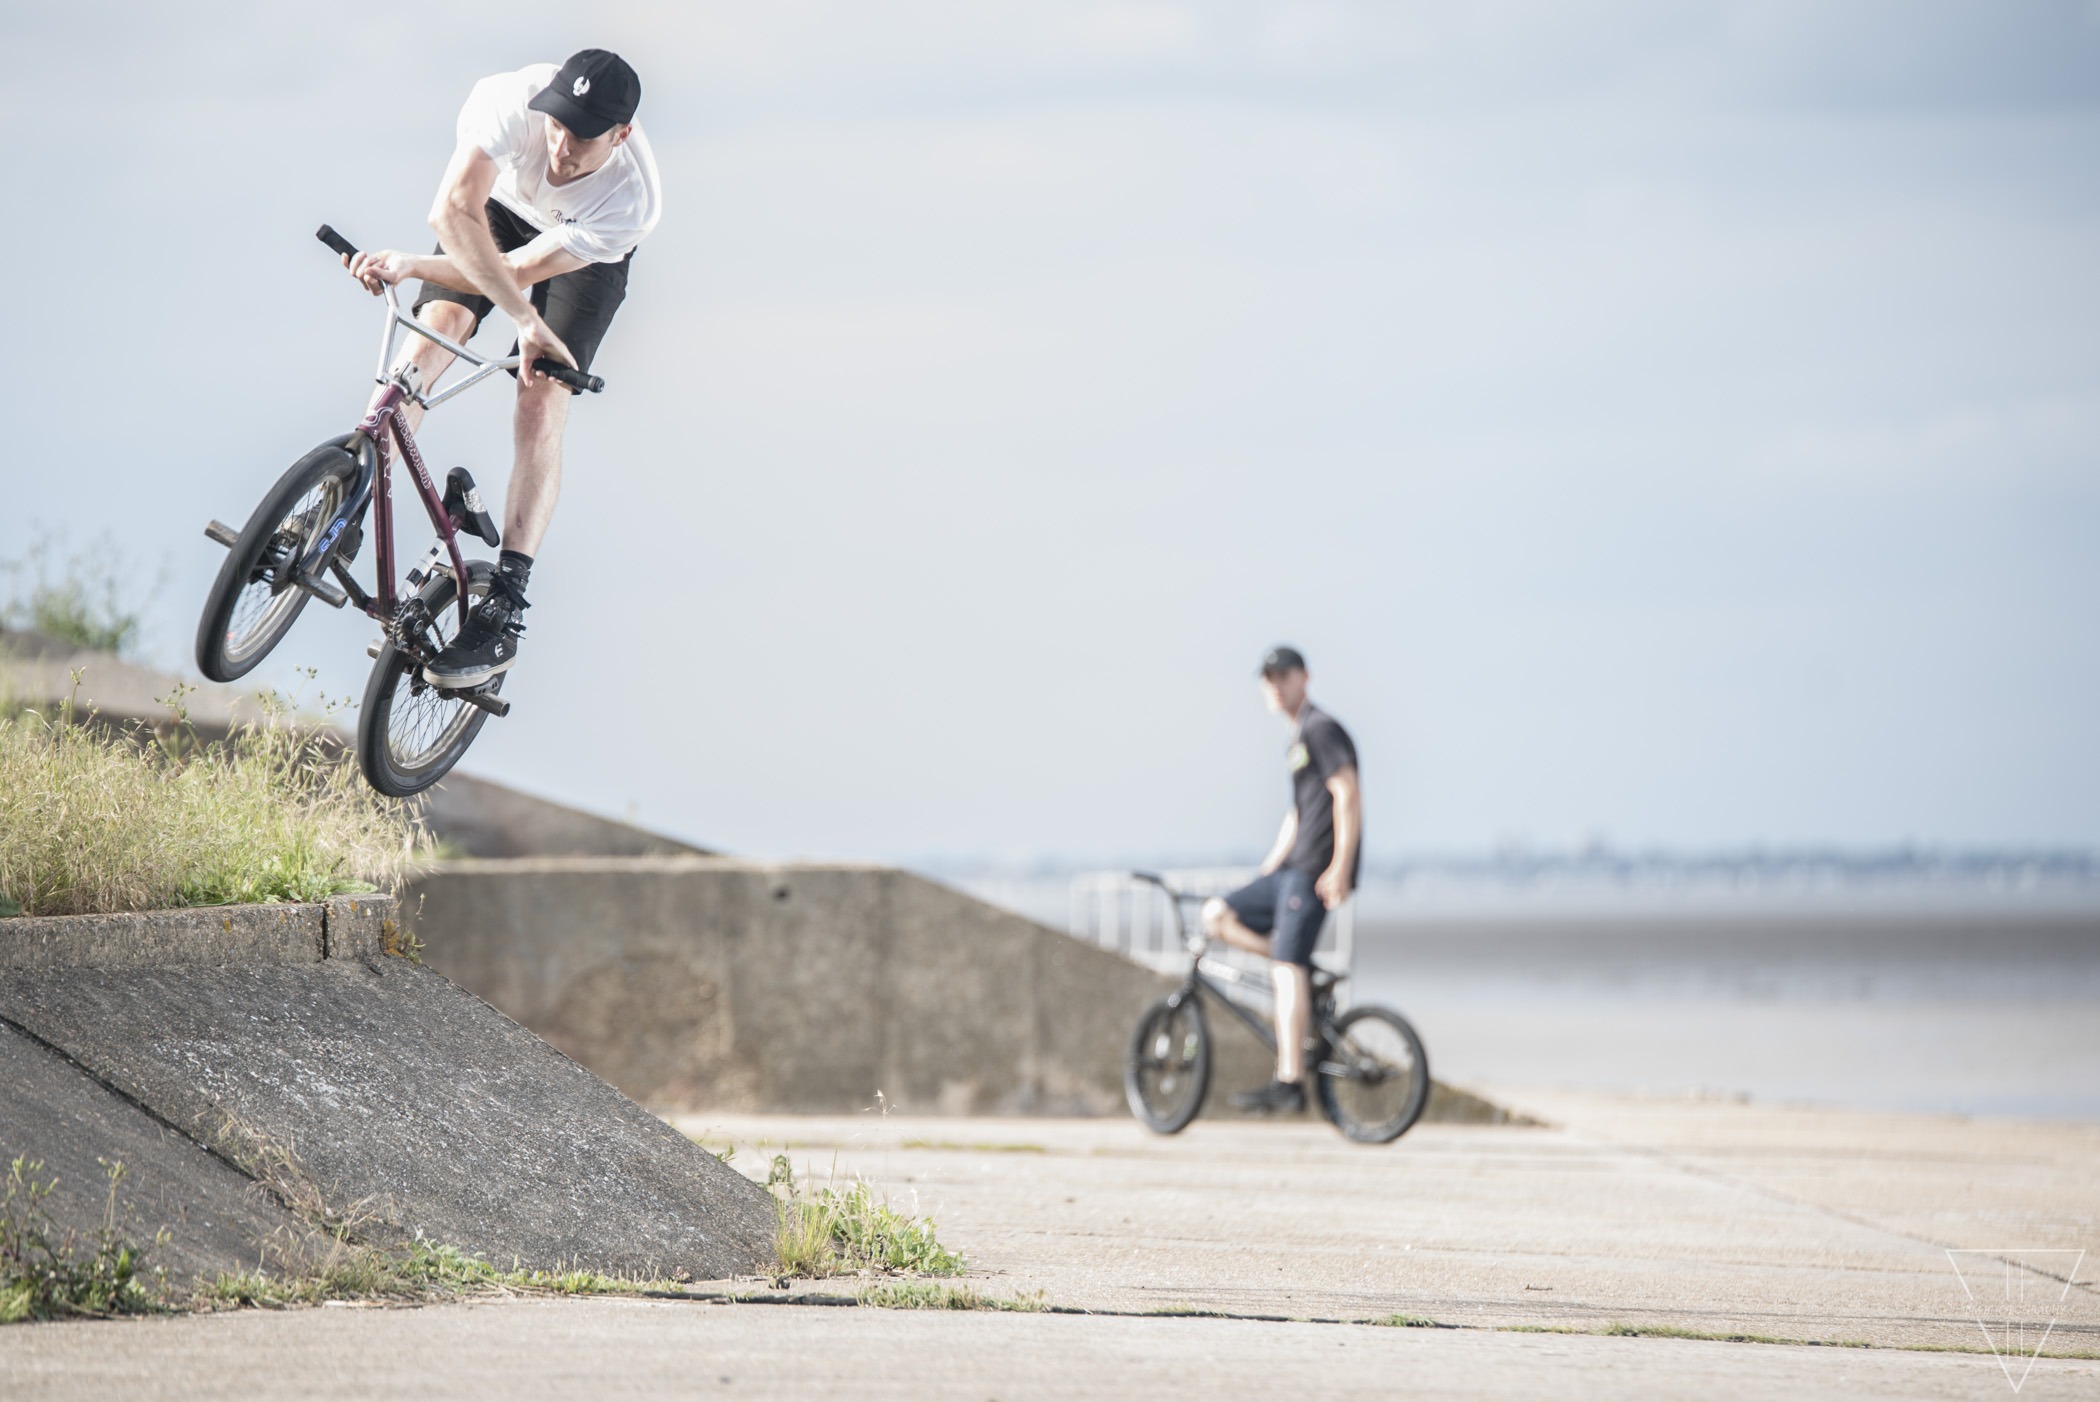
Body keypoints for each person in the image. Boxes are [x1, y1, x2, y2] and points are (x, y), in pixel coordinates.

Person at [339, 49, 662, 688]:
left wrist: (525, 323)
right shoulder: (510, 101)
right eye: (557, 125)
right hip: (499, 210)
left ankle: (505, 604)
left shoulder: (631, 200)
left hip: (579, 251)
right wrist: (410, 264)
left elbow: (514, 274)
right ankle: (345, 499)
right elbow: (451, 212)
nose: (562, 147)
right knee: (434, 333)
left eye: (583, 137)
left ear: (621, 135)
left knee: (541, 396)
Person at [1203, 646, 1363, 1113]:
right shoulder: (1297, 738)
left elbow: (1346, 794)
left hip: (1313, 871)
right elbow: (1298, 812)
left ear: (1303, 678)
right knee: (1217, 914)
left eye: (1283, 676)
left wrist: (1340, 866)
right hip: (1289, 870)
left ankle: (1290, 1080)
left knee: (1286, 969)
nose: (1275, 685)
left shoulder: (1321, 728)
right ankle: (1290, 956)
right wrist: (1267, 870)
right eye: (1268, 678)